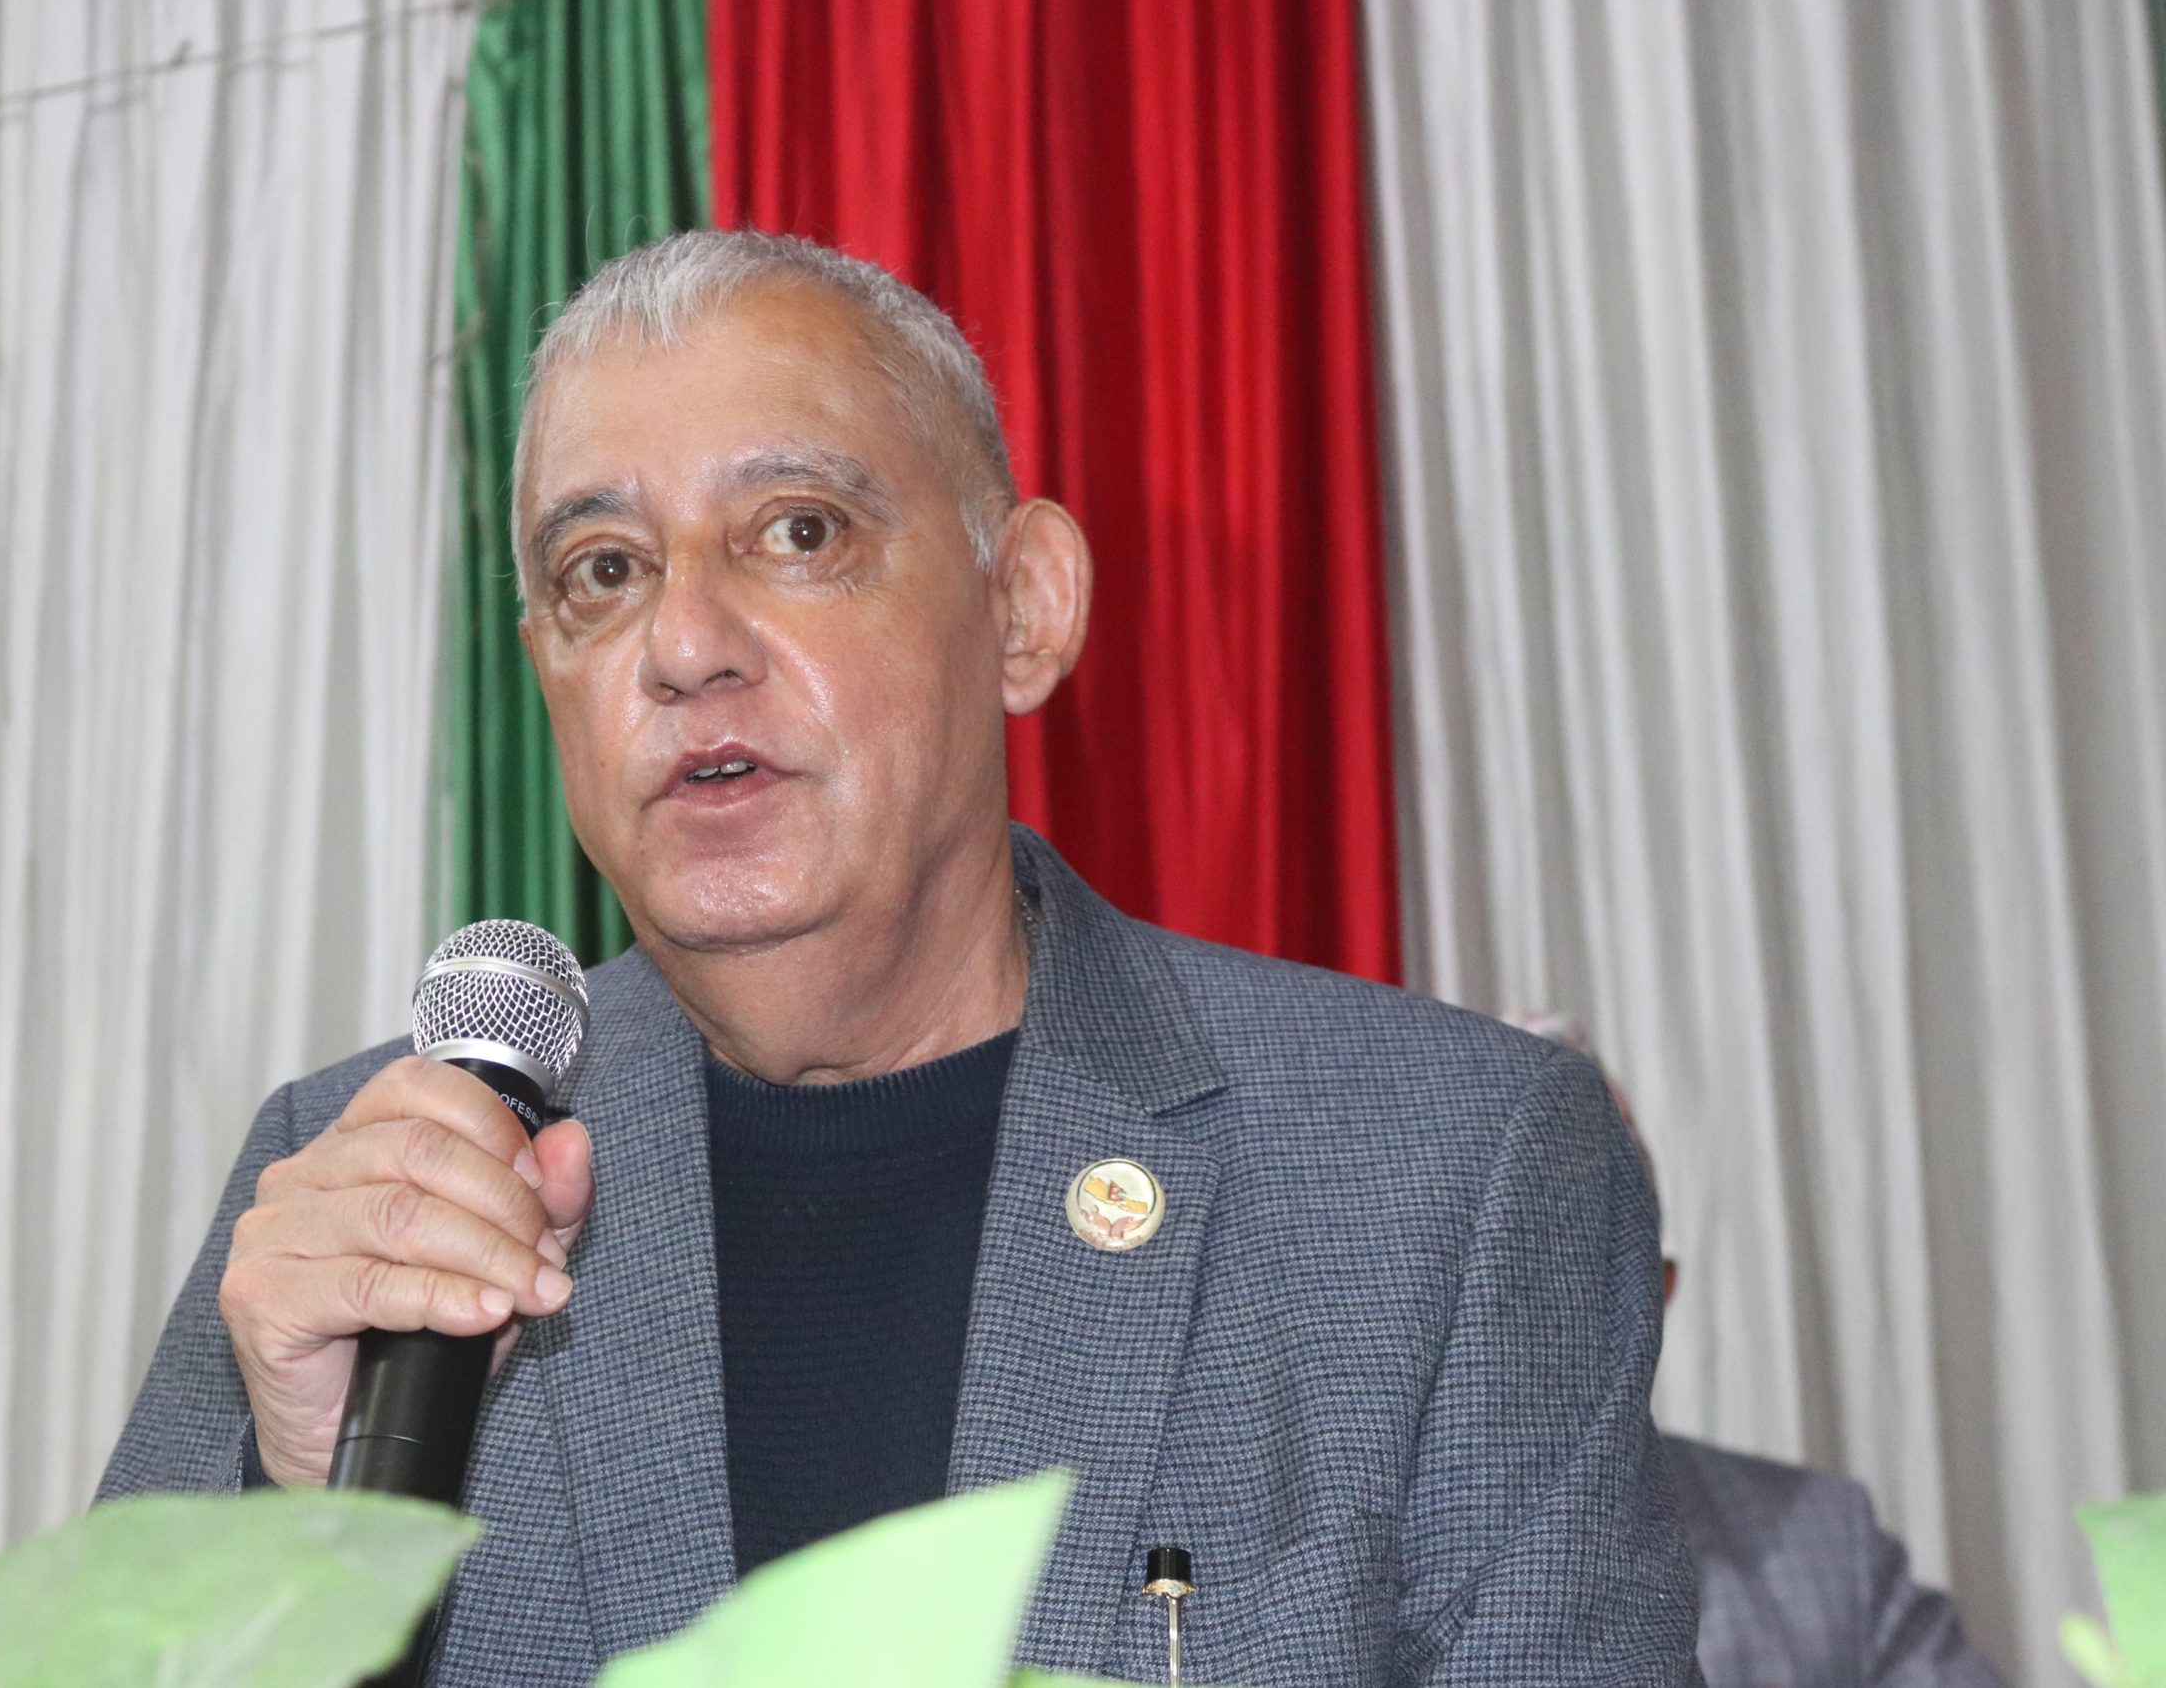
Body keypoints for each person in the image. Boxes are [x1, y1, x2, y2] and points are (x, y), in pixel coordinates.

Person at [100, 231, 1700, 1686]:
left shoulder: (1445, 1174)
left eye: (797, 531)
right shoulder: (372, 1195)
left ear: (1025, 607)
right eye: (603, 569)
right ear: (546, 667)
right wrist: (301, 1526)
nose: (682, 643)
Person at [1506, 1014, 2006, 1688]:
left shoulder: (1824, 1544)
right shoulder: (1364, 1570)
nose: (1538, 1315)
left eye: (1585, 1258)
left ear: (1657, 1291)